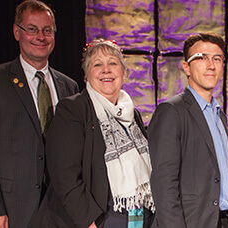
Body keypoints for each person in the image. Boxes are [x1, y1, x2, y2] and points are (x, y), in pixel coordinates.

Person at [34, 39, 154, 228]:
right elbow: (64, 175)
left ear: (123, 72)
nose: (106, 69)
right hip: (96, 221)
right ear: (86, 75)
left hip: (136, 220)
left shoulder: (133, 113)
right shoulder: (73, 109)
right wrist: (88, 222)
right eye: (97, 64)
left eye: (113, 63)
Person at [0, 0, 78, 228]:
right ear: (17, 32)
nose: (41, 37)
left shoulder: (69, 86)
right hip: (13, 208)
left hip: (62, 210)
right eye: (32, 29)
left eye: (47, 30)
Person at [147, 32, 228, 228]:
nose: (211, 65)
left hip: (221, 220)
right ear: (186, 66)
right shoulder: (171, 112)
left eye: (217, 58)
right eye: (201, 58)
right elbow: (164, 183)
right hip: (189, 222)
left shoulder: (219, 115)